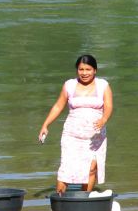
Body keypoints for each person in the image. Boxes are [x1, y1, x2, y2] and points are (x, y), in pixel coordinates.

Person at [38, 54, 113, 194]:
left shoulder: (103, 85)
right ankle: (61, 201)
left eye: (88, 69)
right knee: (66, 169)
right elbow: (58, 106)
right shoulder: (69, 85)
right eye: (81, 69)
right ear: (77, 70)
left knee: (91, 169)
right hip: (72, 135)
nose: (84, 73)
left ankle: (84, 199)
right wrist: (45, 125)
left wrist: (104, 119)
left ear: (95, 70)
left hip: (95, 136)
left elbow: (108, 106)